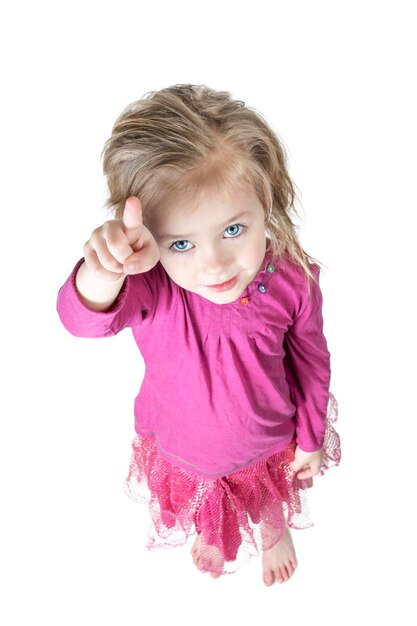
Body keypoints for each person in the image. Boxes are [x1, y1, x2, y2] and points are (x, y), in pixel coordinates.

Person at [56, 83, 341, 587]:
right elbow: (82, 321)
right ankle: (212, 529)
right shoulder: (150, 285)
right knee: (204, 498)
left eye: (233, 229)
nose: (213, 265)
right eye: (182, 242)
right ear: (148, 237)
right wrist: (104, 270)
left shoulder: (292, 280)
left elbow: (312, 363)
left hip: (268, 437)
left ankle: (274, 531)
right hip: (181, 441)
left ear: (265, 198)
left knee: (267, 491)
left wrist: (311, 436)